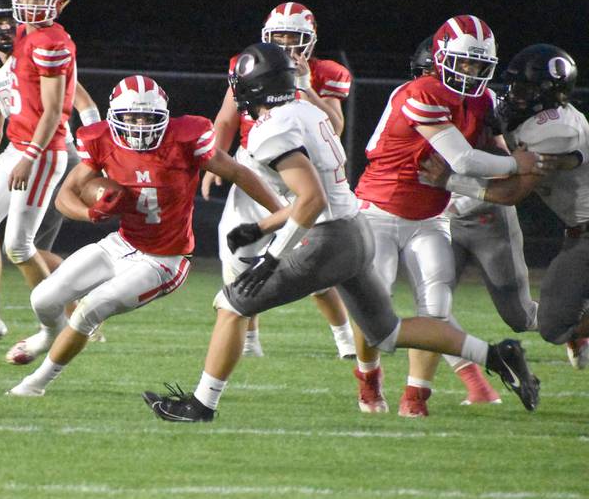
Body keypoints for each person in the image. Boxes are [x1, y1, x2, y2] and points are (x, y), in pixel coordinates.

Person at [141, 42, 540, 423]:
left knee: (232, 306)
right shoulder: (307, 111)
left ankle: (201, 405)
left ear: (252, 87)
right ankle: (497, 355)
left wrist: (273, 253)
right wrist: (264, 225)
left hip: (331, 238)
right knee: (387, 332)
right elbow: (322, 191)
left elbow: (311, 199)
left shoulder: (269, 130)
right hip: (357, 227)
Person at [5, 75, 283, 397]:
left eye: (147, 117)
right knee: (43, 298)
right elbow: (65, 195)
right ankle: (47, 335)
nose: (139, 125)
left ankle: (35, 385)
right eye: (131, 117)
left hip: (165, 259)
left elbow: (238, 172)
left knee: (90, 309)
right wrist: (90, 213)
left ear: (163, 118)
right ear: (115, 118)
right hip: (122, 244)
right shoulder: (102, 142)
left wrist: (282, 213)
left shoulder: (185, 140)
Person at [351, 16, 544, 417]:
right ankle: (368, 377)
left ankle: (416, 396)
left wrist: (512, 162)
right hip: (379, 210)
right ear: (441, 58)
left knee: (436, 308)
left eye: (479, 65)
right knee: (374, 307)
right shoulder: (421, 91)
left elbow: (495, 154)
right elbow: (463, 159)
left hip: (430, 216)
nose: (471, 73)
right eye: (465, 62)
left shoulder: (485, 100)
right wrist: (517, 165)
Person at [419, 44, 589, 370]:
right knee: (552, 324)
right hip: (576, 233)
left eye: (524, 88)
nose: (514, 94)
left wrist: (449, 182)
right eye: (513, 85)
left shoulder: (559, 129)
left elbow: (511, 192)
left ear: (550, 94)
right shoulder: (531, 120)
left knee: (553, 325)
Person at [0, 0, 104, 346]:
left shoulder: (40, 49)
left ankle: (73, 315)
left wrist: (92, 150)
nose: (3, 28)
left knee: (22, 247)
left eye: (9, 20)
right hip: (17, 152)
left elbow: (79, 102)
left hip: (51, 154)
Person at [203, 2, 356, 359]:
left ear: (311, 41)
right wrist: (215, 161)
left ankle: (346, 340)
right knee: (237, 257)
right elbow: (226, 119)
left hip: (303, 172)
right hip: (256, 168)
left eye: (294, 38)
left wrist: (304, 85)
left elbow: (335, 126)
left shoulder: (327, 72)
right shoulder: (248, 63)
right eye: (279, 37)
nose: (286, 45)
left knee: (315, 262)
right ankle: (249, 341)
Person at [410, 37, 539, 335]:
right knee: (431, 308)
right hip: (441, 218)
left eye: (434, 75)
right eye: (424, 75)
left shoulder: (481, 102)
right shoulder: (413, 103)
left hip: (484, 213)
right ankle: (455, 378)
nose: (428, 84)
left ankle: (576, 328)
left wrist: (460, 194)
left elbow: (500, 164)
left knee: (520, 317)